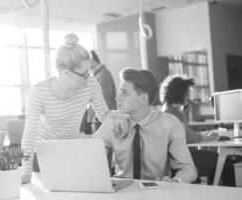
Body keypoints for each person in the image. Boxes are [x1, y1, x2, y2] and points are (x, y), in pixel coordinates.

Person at [21, 33, 120, 184]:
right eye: (84, 74)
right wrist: (26, 173)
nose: (89, 77)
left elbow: (104, 115)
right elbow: (29, 136)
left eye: (90, 72)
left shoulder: (90, 84)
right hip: (41, 157)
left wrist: (128, 113)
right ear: (65, 72)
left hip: (71, 153)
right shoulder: (39, 91)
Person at [94, 68, 197, 183]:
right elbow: (88, 156)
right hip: (122, 193)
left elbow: (188, 168)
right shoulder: (112, 123)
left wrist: (176, 181)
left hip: (156, 192)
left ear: (143, 98)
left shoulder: (170, 124)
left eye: (125, 93)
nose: (118, 98)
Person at [159, 75, 220, 143]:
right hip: (177, 153)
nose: (188, 97)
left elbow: (186, 133)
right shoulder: (172, 113)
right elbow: (189, 137)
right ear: (179, 94)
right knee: (215, 154)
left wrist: (204, 135)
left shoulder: (168, 108)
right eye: (186, 94)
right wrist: (209, 137)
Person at [80, 50, 117, 134]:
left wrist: (96, 118)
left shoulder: (103, 74)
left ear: (91, 61)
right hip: (99, 119)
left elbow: (106, 96)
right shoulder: (98, 75)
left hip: (102, 120)